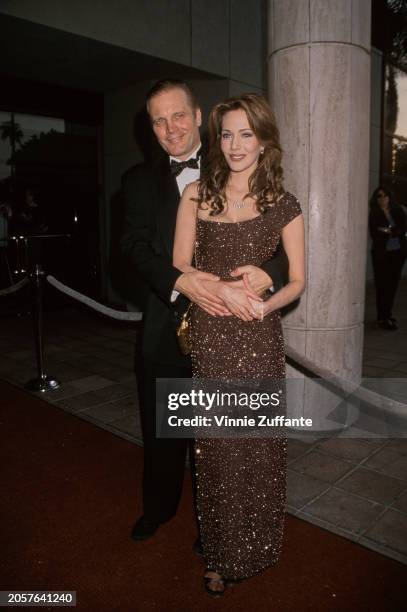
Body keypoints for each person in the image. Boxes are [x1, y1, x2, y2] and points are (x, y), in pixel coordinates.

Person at [121, 80, 287, 544]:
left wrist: (266, 272)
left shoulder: (242, 162)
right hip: (164, 328)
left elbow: (282, 244)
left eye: (178, 115)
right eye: (158, 119)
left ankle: (215, 521)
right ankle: (158, 508)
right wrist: (181, 280)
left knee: (222, 440)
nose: (170, 127)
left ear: (197, 118)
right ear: (150, 128)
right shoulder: (137, 182)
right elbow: (132, 247)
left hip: (233, 335)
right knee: (165, 434)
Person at [173, 93, 305, 596]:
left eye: (246, 133)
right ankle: (222, 554)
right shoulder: (196, 195)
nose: (234, 145)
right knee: (218, 453)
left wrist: (265, 304)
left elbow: (297, 280)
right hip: (212, 334)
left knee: (259, 449)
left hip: (259, 336)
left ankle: (262, 544)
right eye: (226, 133)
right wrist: (216, 288)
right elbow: (179, 264)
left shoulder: (283, 203)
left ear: (264, 139)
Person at [369, 186, 406, 330]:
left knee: (392, 286)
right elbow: (375, 234)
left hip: (398, 253)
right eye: (379, 196)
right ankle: (382, 318)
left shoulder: (397, 211)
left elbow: (403, 228)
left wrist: (388, 231)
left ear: (390, 197)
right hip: (381, 255)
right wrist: (393, 231)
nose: (382, 198)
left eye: (385, 195)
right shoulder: (374, 213)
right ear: (376, 198)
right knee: (382, 286)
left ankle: (388, 314)